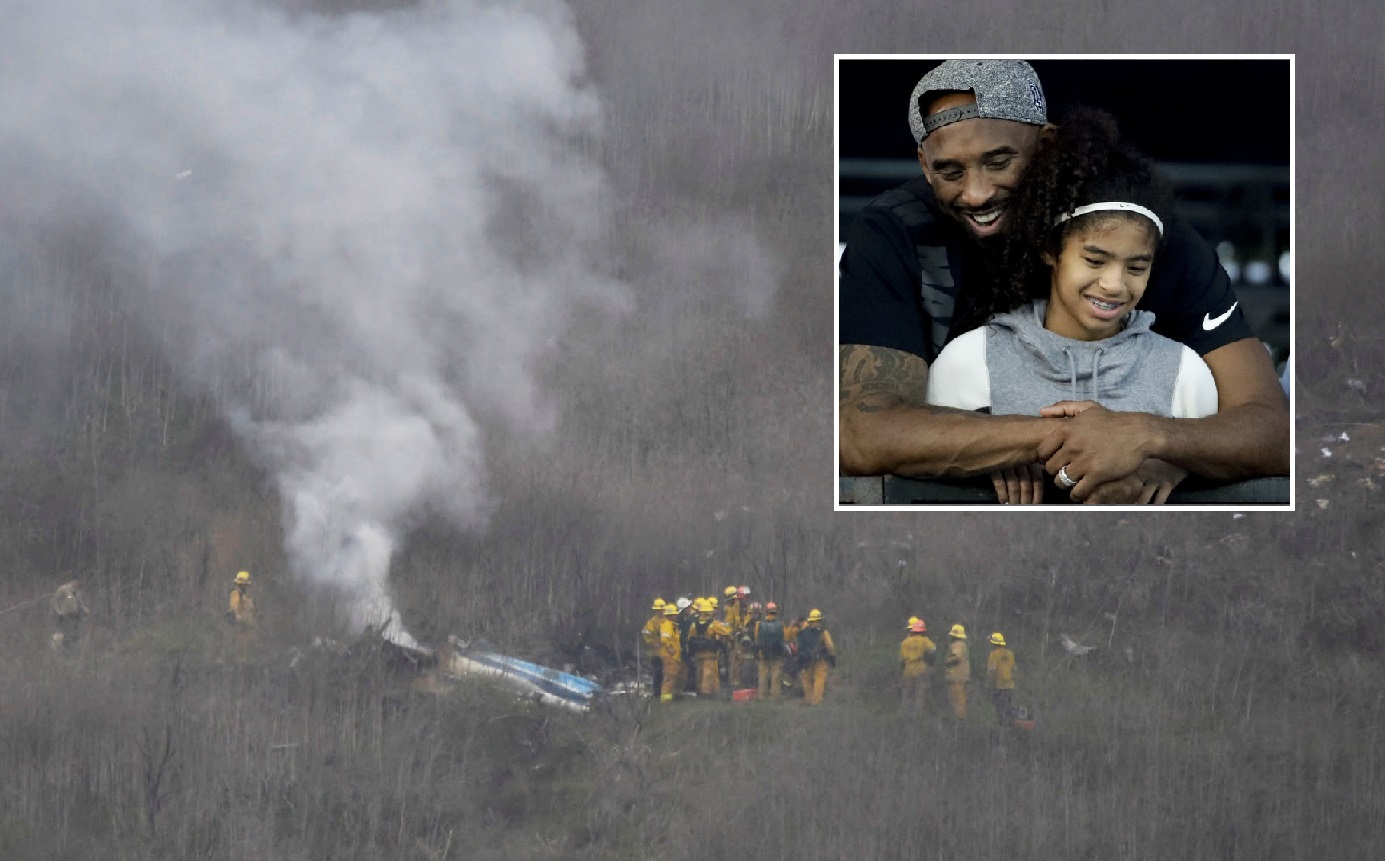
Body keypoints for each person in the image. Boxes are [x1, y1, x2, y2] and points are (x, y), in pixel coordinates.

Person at [839, 59, 1289, 504]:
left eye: (999, 162)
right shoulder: (893, 234)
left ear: (1045, 142)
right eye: (949, 171)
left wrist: (1153, 441)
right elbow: (862, 434)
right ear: (923, 163)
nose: (976, 193)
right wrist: (1051, 439)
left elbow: (1273, 429)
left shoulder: (1135, 230)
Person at [924, 107, 1219, 503]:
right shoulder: (968, 360)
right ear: (1050, 249)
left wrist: (1175, 461)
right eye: (1094, 260)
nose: (1114, 284)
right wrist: (990, 450)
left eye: (1136, 266)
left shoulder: (1186, 372)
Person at [685, 599, 731, 697]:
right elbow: (726, 632)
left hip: (698, 652)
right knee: (708, 673)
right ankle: (706, 692)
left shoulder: (694, 624)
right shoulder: (713, 624)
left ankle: (705, 690)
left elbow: (690, 638)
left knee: (700, 672)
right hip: (710, 653)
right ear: (709, 612)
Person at [796, 609, 837, 706]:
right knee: (819, 679)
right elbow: (830, 646)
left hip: (807, 660)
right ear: (819, 620)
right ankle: (816, 702)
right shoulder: (823, 632)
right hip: (820, 660)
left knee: (807, 679)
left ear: (810, 620)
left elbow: (799, 647)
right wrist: (832, 656)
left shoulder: (803, 632)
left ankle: (808, 700)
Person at [899, 618, 937, 715]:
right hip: (920, 669)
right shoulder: (924, 640)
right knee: (919, 694)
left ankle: (904, 714)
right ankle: (918, 715)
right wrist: (930, 661)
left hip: (908, 670)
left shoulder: (905, 642)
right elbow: (933, 649)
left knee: (907, 694)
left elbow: (901, 659)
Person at [753, 602, 787, 701]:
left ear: (766, 612)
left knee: (763, 677)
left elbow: (756, 638)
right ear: (776, 612)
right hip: (777, 655)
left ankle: (762, 697)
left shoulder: (759, 625)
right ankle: (775, 697)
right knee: (776, 677)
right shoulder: (781, 625)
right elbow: (785, 637)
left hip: (763, 655)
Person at [986, 631, 1017, 725]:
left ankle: (1002, 727)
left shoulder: (993, 654)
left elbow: (991, 671)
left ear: (994, 644)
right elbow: (1015, 670)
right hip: (1009, 686)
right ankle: (1009, 726)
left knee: (999, 709)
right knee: (1008, 708)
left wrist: (989, 684)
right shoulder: (1010, 654)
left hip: (998, 686)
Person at [50, 579, 90, 649]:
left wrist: (85, 609)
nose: (77, 584)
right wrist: (58, 611)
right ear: (72, 581)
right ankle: (56, 647)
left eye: (78, 582)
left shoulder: (77, 592)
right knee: (62, 632)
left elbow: (80, 603)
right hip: (64, 615)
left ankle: (70, 648)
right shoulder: (62, 589)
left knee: (74, 633)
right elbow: (55, 601)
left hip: (75, 616)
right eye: (75, 582)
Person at [658, 601, 683, 703]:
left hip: (673, 656)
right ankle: (665, 700)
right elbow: (664, 640)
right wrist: (670, 649)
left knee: (673, 677)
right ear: (671, 615)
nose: (676, 616)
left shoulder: (672, 625)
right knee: (669, 677)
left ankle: (670, 697)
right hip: (669, 656)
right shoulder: (667, 625)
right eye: (674, 614)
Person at [642, 598, 667, 697]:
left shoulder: (667, 621)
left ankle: (665, 692)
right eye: (658, 610)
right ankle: (657, 693)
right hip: (655, 653)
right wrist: (652, 643)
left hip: (666, 652)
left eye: (661, 610)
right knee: (657, 673)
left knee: (667, 673)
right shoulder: (651, 623)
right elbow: (646, 634)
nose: (660, 612)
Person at [944, 623, 970, 719]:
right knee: (961, 700)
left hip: (956, 677)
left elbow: (956, 657)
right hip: (961, 677)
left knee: (957, 700)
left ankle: (959, 720)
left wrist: (947, 662)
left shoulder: (957, 645)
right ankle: (961, 718)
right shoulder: (963, 645)